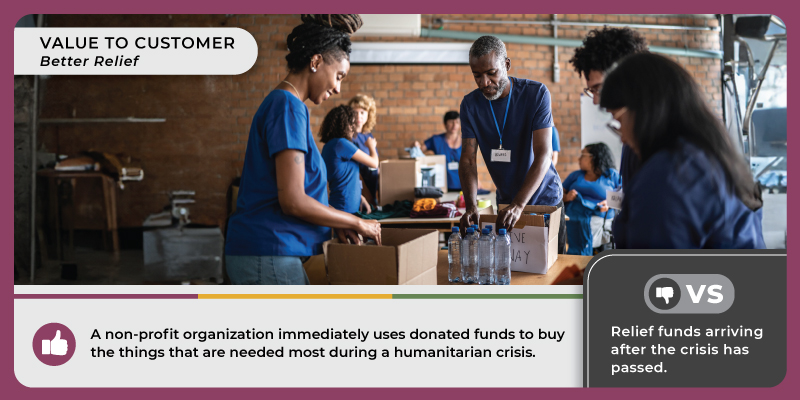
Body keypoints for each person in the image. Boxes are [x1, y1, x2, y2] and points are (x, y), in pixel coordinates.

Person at [225, 14, 382, 285]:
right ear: (316, 61)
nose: (337, 87)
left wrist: (336, 222)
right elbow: (293, 201)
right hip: (267, 252)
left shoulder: (289, 105)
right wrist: (354, 222)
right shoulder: (288, 107)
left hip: (270, 254)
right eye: (339, 76)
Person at [599, 53, 765, 249]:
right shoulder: (709, 155)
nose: (622, 137)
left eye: (617, 120)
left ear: (645, 110)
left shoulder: (668, 176)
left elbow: (653, 276)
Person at [458, 35, 566, 253]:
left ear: (506, 65)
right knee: (513, 270)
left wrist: (519, 205)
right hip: (507, 202)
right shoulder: (470, 105)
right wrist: (471, 205)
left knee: (553, 270)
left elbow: (544, 154)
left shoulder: (536, 94)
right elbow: (468, 159)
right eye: (477, 75)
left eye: (492, 73)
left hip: (544, 200)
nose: (484, 82)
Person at [569, 27, 648, 187]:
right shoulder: (632, 142)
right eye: (592, 91)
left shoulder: (673, 148)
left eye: (599, 88)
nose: (597, 102)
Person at [562, 143, 621, 255]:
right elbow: (557, 194)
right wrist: (566, 197)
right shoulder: (575, 175)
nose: (579, 159)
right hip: (575, 219)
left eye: (583, 155)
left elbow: (625, 197)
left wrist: (609, 203)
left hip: (600, 221)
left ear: (593, 158)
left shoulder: (611, 175)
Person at [320, 105, 379, 214]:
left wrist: (360, 197)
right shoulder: (342, 143)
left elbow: (344, 178)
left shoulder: (329, 145)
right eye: (351, 123)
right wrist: (371, 146)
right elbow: (374, 163)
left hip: (343, 203)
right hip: (345, 206)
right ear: (343, 125)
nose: (354, 127)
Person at [414, 111, 462, 191]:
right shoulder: (436, 140)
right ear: (445, 124)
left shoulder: (466, 142)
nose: (454, 125)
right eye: (451, 122)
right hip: (442, 187)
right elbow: (418, 151)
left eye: (457, 122)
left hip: (463, 186)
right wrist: (415, 145)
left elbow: (471, 164)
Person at [348, 94, 380, 203]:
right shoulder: (349, 137)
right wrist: (367, 196)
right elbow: (355, 171)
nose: (358, 116)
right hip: (361, 191)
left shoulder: (368, 135)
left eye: (362, 112)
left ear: (368, 114)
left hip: (373, 186)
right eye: (355, 112)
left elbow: (375, 164)